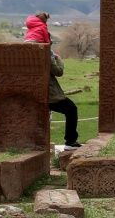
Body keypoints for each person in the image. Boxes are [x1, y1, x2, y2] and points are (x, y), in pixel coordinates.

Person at [24, 19, 80, 148]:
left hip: (32, 92)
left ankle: (35, 143)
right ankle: (70, 141)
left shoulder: (27, 49)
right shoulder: (45, 53)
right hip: (49, 94)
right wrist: (57, 59)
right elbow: (58, 72)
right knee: (71, 109)